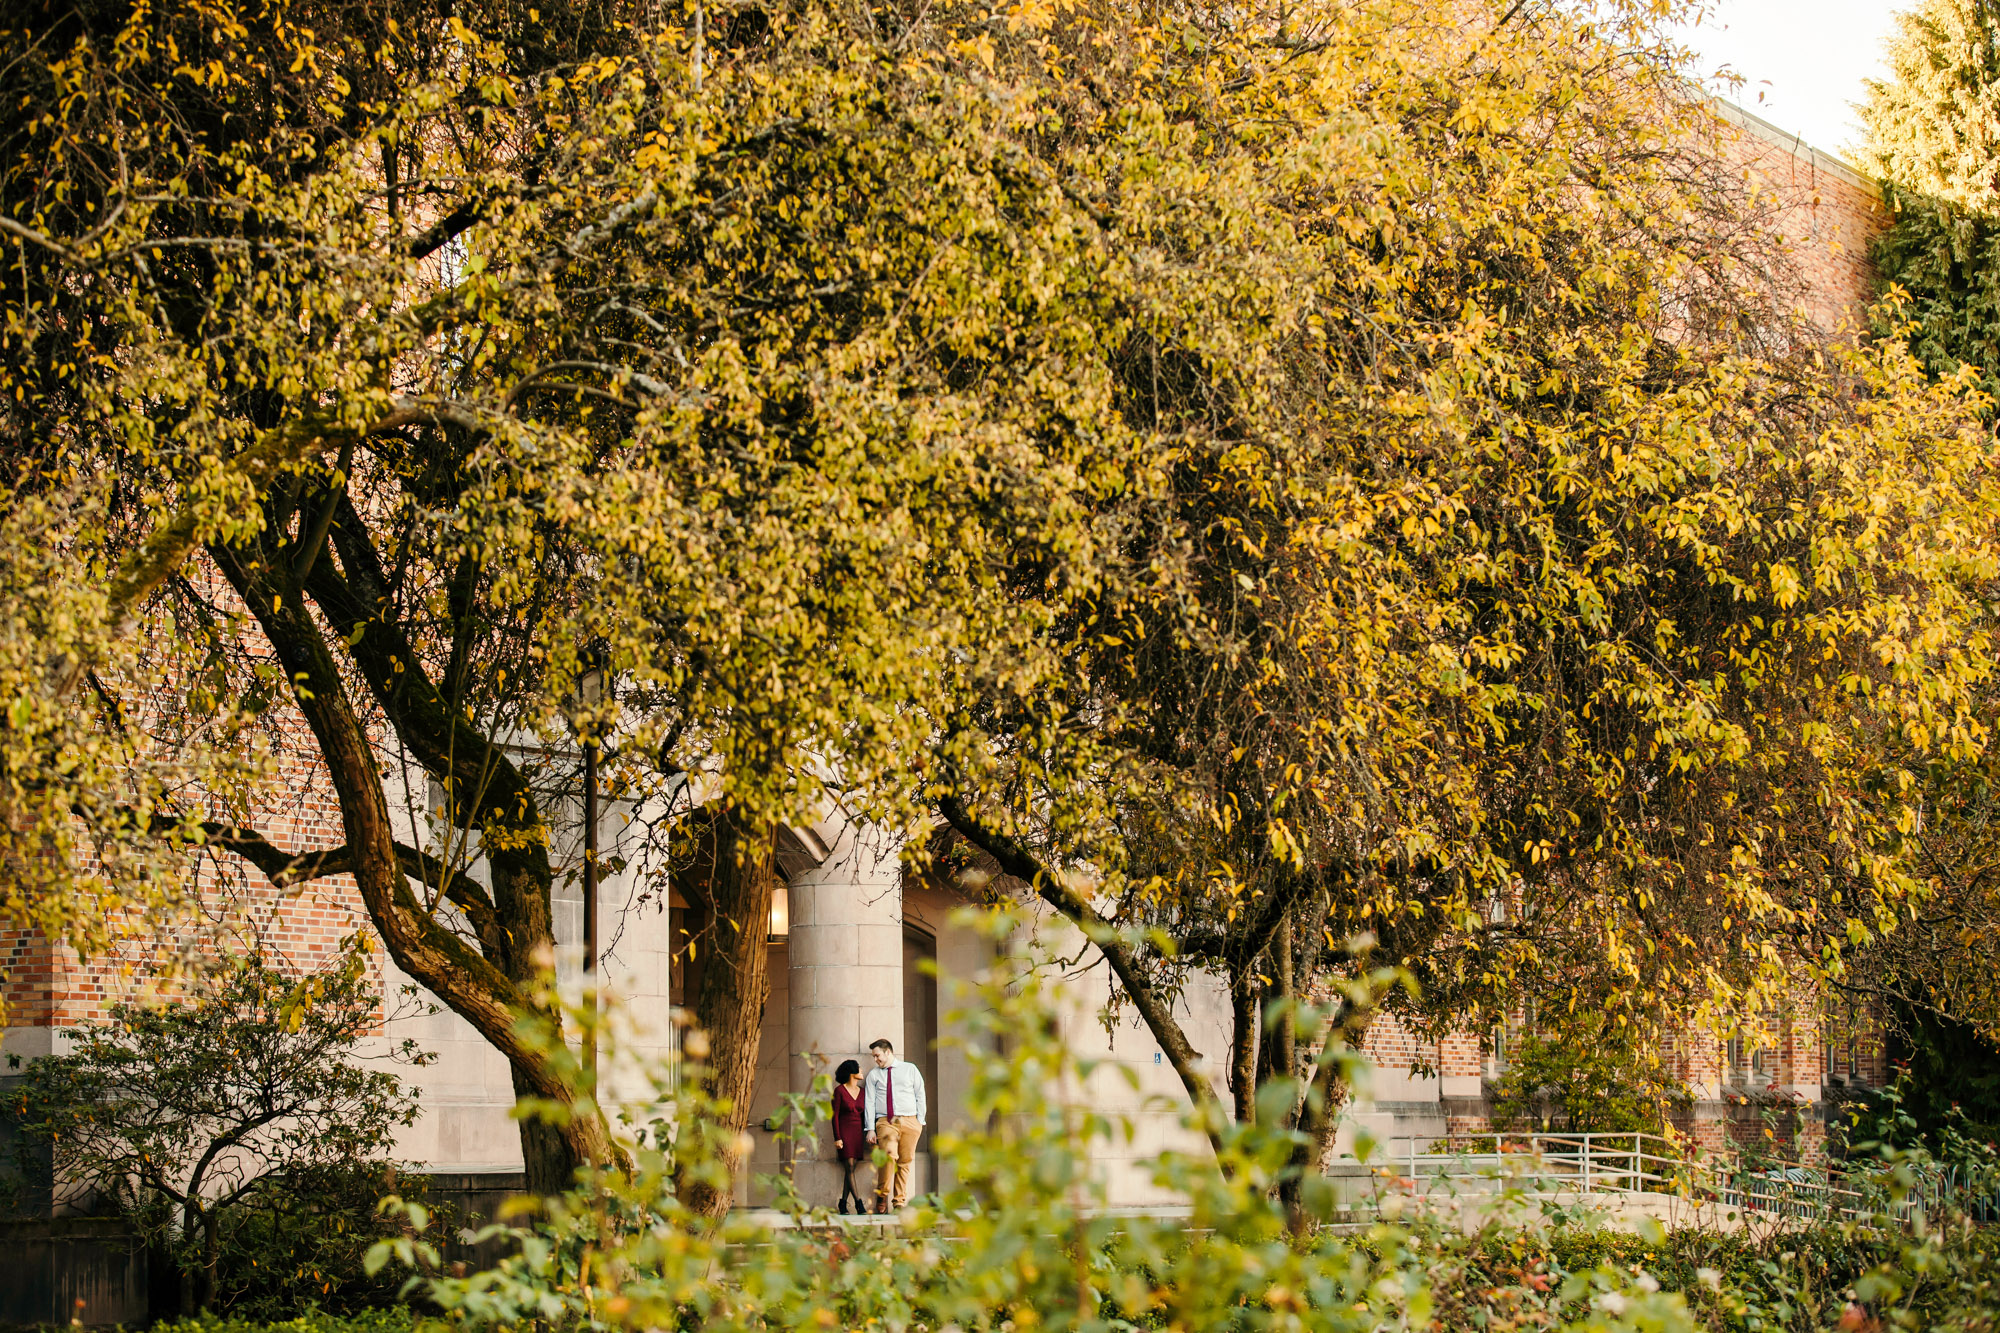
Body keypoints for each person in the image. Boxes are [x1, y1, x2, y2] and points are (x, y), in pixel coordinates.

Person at [862, 1036, 926, 1213]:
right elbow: (869, 1102)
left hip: (910, 1121)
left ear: (887, 1052)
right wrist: (870, 1129)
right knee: (889, 1156)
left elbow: (920, 1094)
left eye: (877, 1056)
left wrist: (919, 1121)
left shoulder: (909, 1069)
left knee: (905, 1162)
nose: (875, 1060)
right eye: (874, 1057)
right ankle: (882, 1194)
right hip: (886, 1121)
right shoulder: (874, 1075)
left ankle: (899, 1202)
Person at [830, 1058, 868, 1214]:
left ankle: (843, 1203)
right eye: (859, 1069)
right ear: (852, 1072)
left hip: (858, 1132)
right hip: (844, 1132)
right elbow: (835, 1116)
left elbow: (865, 1115)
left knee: (850, 1169)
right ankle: (859, 1203)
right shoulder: (839, 1091)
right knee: (850, 1166)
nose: (862, 1072)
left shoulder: (863, 1091)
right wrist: (837, 1137)